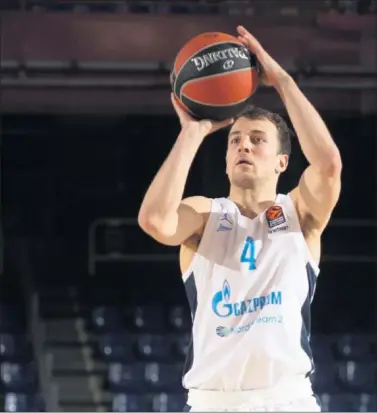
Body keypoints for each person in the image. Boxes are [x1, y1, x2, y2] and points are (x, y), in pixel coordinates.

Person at [138, 26, 342, 412]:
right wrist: (193, 133)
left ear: (283, 162)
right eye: (235, 140)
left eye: (257, 139)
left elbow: (329, 164)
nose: (243, 144)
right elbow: (154, 220)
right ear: (227, 159)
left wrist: (281, 81)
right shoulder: (204, 214)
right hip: (214, 402)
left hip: (288, 399)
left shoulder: (300, 212)